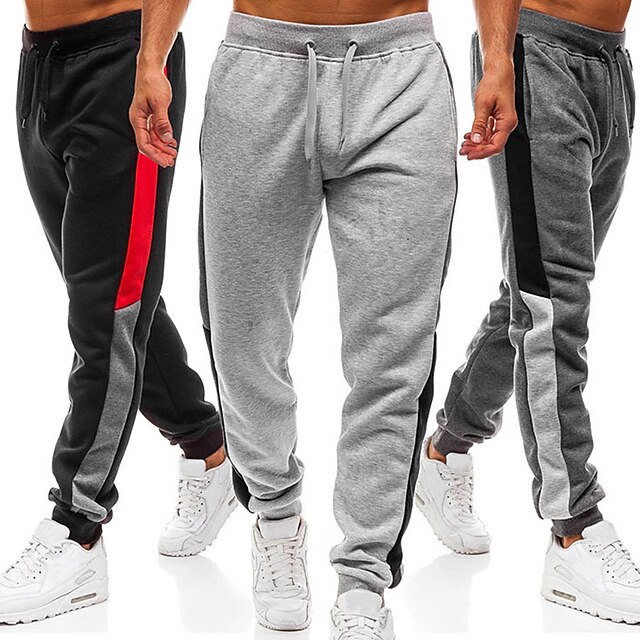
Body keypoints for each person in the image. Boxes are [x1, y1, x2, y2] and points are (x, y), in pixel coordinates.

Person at [132, 0, 519, 636]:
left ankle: (364, 577)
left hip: (402, 76)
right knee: (243, 336)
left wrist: (497, 56)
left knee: (393, 353)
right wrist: (152, 56)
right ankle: (275, 514)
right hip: (260, 67)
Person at [0, 0, 237, 625]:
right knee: (109, 301)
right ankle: (208, 447)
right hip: (40, 66)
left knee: (107, 315)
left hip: (123, 67)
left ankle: (76, 526)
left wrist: (151, 60)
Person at [416, 0, 640, 625]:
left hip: (611, 66)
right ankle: (574, 526)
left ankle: (447, 447)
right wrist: (497, 61)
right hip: (537, 58)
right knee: (553, 304)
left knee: (534, 291)